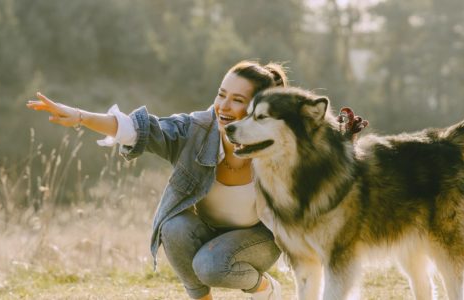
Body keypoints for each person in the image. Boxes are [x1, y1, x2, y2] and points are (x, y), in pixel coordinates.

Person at [26, 61, 367, 300]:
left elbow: (321, 155)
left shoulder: (276, 146)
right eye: (221, 94)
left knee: (211, 265)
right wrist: (81, 117)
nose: (223, 106)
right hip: (208, 230)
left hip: (260, 239)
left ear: (258, 110)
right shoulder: (195, 129)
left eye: (237, 100)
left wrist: (344, 137)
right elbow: (138, 128)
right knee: (172, 227)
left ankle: (264, 291)